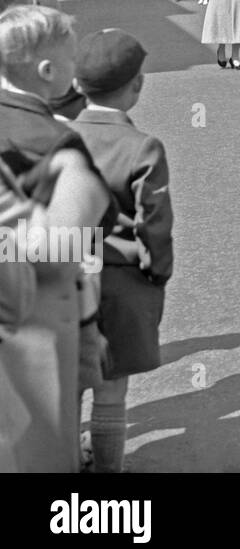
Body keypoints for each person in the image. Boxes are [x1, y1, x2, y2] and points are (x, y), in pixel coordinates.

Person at [0, 6, 112, 472]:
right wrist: (80, 180)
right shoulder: (53, 139)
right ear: (48, 72)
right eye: (71, 62)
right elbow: (64, 247)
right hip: (35, 325)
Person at [67, 30, 174, 474]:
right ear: (136, 87)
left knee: (67, 388)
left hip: (64, 280)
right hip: (122, 281)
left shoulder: (57, 139)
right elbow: (155, 223)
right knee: (111, 393)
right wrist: (156, 271)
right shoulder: (142, 147)